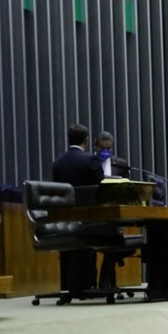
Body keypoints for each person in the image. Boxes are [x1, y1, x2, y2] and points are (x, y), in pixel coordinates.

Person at [52, 124, 104, 298]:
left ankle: (69, 286)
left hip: (66, 218)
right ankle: (88, 285)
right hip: (90, 218)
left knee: (70, 248)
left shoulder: (58, 163)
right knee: (89, 245)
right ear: (86, 140)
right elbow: (103, 188)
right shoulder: (91, 160)